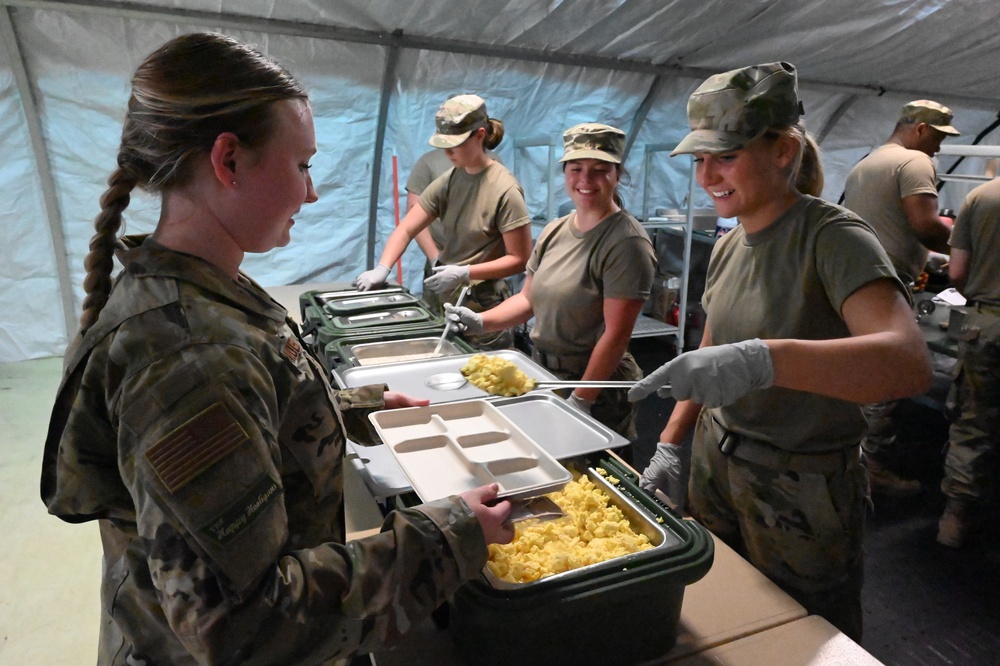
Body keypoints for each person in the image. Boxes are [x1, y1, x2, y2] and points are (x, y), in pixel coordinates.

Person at [40, 33, 513, 665]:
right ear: (228, 161)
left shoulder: (200, 289)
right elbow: (245, 625)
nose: (311, 193)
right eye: (303, 165)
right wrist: (450, 536)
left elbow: (257, 396)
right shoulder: (188, 356)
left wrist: (351, 407)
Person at [630, 62, 932, 642]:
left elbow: (906, 362)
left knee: (803, 634)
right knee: (721, 613)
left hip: (799, 481)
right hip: (718, 461)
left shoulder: (832, 236)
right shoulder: (731, 241)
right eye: (699, 160)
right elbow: (714, 342)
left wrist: (764, 358)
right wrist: (670, 443)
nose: (707, 176)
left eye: (725, 156)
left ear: (783, 150)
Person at [446, 123, 656, 441]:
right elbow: (528, 299)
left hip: (593, 382)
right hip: (544, 371)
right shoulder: (555, 230)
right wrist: (479, 321)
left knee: (592, 476)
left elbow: (616, 335)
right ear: (565, 172)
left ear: (618, 174)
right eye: (576, 168)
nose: (585, 180)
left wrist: (582, 399)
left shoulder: (626, 243)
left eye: (600, 170)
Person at [843, 99, 960, 497]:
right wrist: (967, 248)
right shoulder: (914, 163)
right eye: (939, 138)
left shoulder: (869, 162)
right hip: (887, 283)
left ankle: (849, 453)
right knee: (886, 374)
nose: (940, 148)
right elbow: (925, 225)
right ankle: (871, 465)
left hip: (859, 278)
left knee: (859, 369)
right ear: (922, 130)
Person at [355, 94, 532, 349]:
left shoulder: (505, 190)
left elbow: (519, 259)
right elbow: (407, 227)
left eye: (455, 144)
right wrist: (383, 268)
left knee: (482, 376)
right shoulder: (452, 179)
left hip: (484, 308)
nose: (447, 152)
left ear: (479, 135)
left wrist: (465, 272)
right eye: (443, 144)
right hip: (447, 300)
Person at [938, 173, 1000, 547]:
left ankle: (954, 519)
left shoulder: (981, 196)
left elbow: (957, 271)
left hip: (987, 324)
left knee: (973, 423)